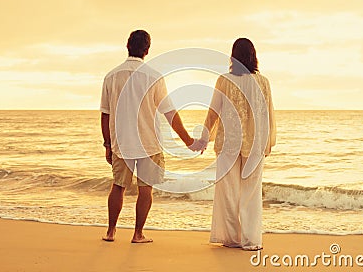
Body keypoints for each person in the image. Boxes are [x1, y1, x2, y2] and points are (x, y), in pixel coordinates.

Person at [100, 30, 198, 243]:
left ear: (127, 46)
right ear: (147, 50)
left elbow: (105, 115)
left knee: (118, 186)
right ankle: (138, 234)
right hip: (149, 142)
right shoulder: (153, 76)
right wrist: (188, 141)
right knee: (146, 190)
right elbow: (170, 113)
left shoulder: (111, 76)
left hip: (121, 143)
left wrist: (107, 144)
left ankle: (110, 231)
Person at [198, 38, 276, 250]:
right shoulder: (263, 82)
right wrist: (268, 142)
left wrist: (204, 137)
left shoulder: (224, 80)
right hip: (255, 143)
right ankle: (251, 240)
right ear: (254, 56)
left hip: (228, 144)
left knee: (229, 191)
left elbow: (213, 112)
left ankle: (232, 238)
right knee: (251, 192)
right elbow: (268, 115)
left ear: (233, 57)